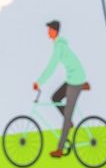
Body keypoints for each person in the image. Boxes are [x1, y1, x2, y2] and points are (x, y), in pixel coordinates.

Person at [32, 20, 91, 157]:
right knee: (55, 98)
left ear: (55, 31)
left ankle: (60, 149)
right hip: (72, 78)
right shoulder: (59, 45)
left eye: (50, 30)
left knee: (67, 117)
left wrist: (39, 82)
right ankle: (70, 120)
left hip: (75, 80)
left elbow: (51, 67)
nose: (48, 33)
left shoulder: (59, 47)